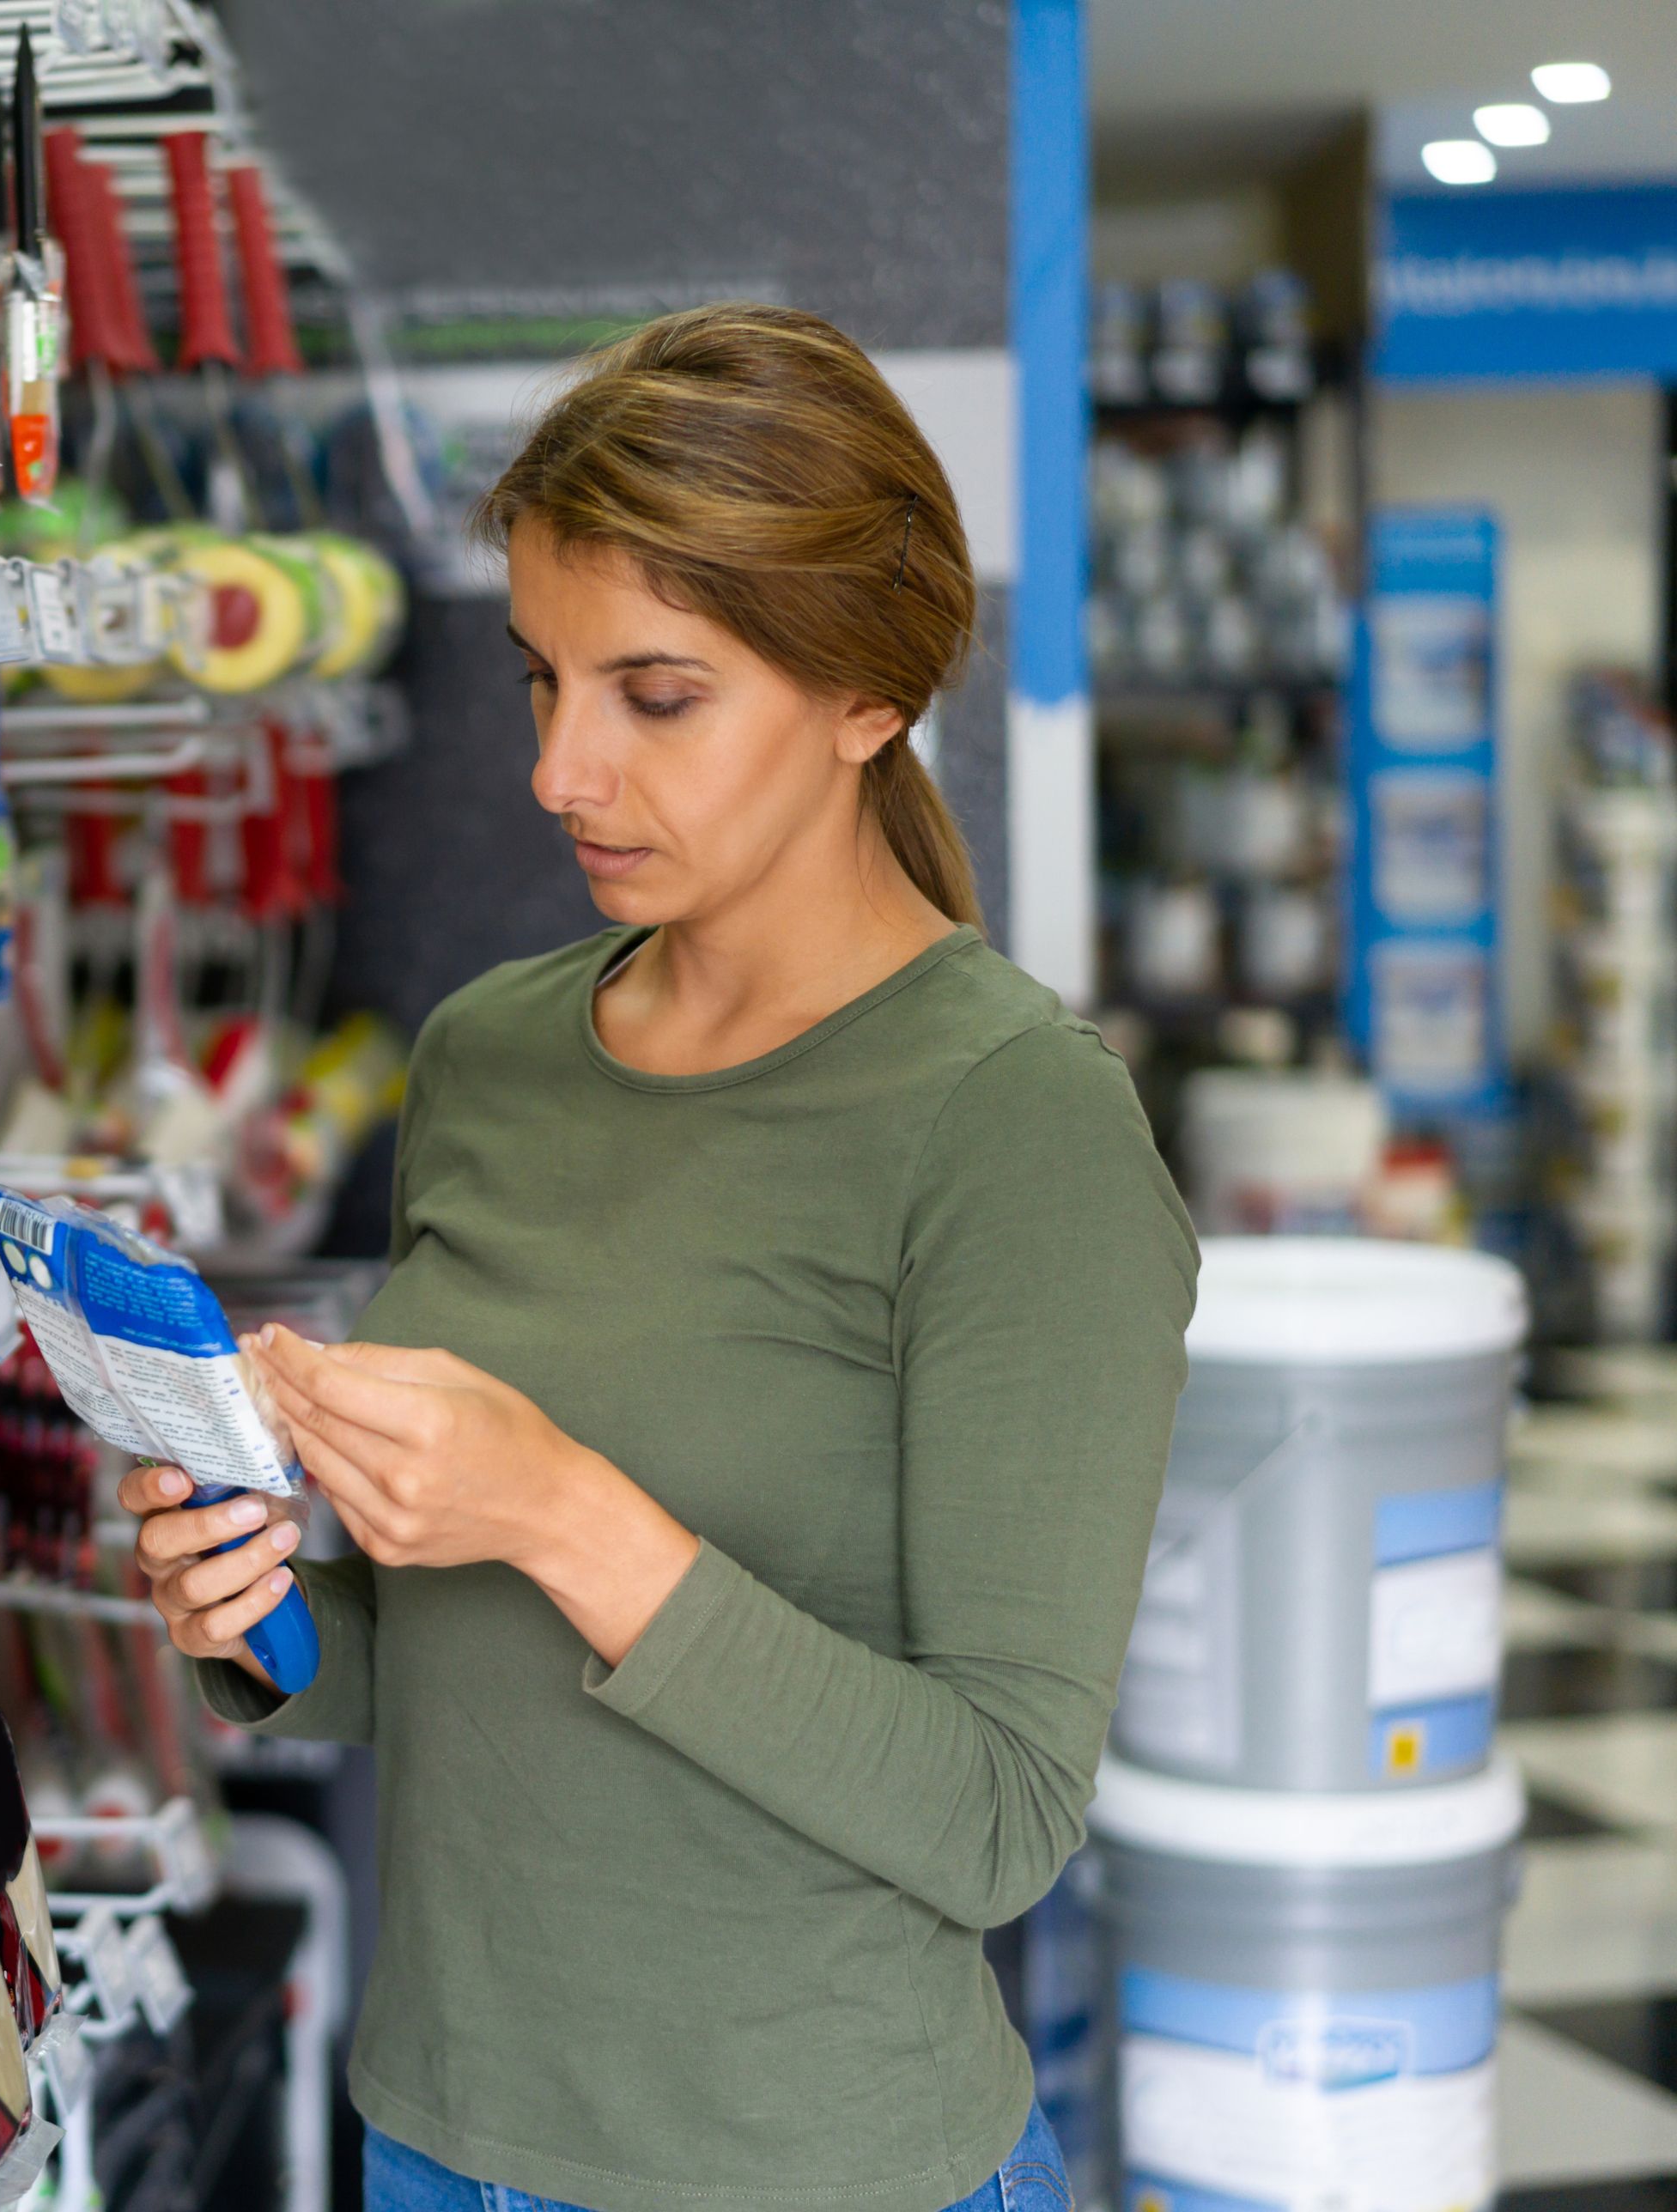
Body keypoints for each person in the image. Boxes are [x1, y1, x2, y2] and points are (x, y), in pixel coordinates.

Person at [128, 304, 1195, 2212]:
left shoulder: (1016, 1127)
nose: (560, 767)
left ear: (869, 694)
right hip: (441, 2134)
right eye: (543, 679)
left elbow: (1001, 1815)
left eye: (657, 694)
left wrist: (560, 1508)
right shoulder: (488, 1054)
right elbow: (469, 1675)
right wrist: (262, 1617)